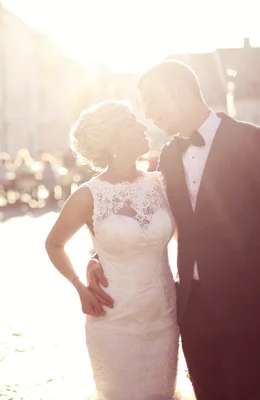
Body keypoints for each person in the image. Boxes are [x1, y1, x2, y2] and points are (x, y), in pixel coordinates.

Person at [85, 60, 260, 399]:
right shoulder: (170, 155)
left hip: (248, 307)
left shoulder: (254, 141)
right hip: (192, 310)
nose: (149, 115)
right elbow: (148, 214)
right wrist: (100, 256)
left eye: (153, 103)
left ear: (181, 92)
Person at [45, 100, 178, 399]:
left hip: (164, 316)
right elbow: (54, 244)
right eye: (133, 124)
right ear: (113, 138)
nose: (144, 126)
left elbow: (183, 237)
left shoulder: (161, 184)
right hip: (113, 320)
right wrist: (80, 287)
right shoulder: (88, 195)